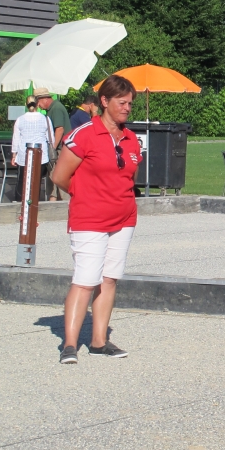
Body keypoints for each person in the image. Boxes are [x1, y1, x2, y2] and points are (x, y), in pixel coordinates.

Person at [50, 75, 141, 365]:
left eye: (130, 103)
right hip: (89, 218)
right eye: (121, 102)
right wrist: (86, 194)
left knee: (109, 278)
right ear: (104, 101)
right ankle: (70, 344)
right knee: (85, 280)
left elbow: (129, 178)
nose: (127, 108)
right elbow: (60, 177)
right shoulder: (84, 135)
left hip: (124, 217)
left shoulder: (130, 139)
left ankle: (99, 341)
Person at [11, 95, 54, 201]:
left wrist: (14, 155)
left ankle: (20, 206)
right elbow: (51, 139)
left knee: (22, 182)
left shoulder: (20, 120)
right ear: (37, 104)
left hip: (23, 156)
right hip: (41, 156)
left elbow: (16, 139)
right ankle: (34, 205)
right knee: (36, 182)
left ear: (26, 105)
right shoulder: (45, 119)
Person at [33, 88, 72, 201]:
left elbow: (59, 129)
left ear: (44, 99)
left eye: (38, 103)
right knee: (52, 178)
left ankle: (65, 204)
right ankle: (52, 202)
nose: (38, 106)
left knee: (57, 177)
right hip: (59, 149)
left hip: (60, 149)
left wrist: (52, 148)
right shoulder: (52, 109)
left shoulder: (56, 108)